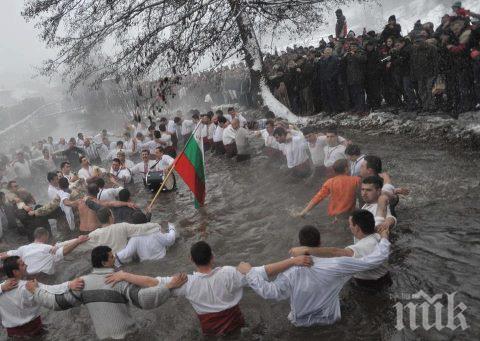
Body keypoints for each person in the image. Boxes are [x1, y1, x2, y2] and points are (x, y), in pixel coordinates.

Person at [105, 241, 311, 336]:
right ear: (213, 257)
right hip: (233, 323)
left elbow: (152, 282)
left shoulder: (186, 283)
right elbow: (265, 270)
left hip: (210, 329)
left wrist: (124, 275)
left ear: (191, 260)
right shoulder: (230, 273)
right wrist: (293, 261)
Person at [237, 224, 391, 327]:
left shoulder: (291, 269)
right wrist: (384, 237)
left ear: (300, 243)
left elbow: (270, 292)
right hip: (330, 319)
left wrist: (249, 272)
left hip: (301, 323)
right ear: (320, 242)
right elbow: (373, 261)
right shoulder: (337, 265)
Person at [28, 246, 187, 340]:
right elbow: (143, 299)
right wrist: (168, 286)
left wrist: (36, 291)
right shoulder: (118, 281)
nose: (114, 258)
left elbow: (57, 303)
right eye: (111, 257)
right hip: (129, 335)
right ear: (104, 262)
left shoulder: (81, 283)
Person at [290, 210, 392, 291]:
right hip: (386, 278)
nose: (349, 227)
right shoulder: (380, 232)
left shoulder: (361, 247)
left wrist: (307, 249)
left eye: (350, 224)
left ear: (357, 228)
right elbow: (381, 210)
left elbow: (336, 252)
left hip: (369, 286)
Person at [0, 256, 84, 338]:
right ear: (15, 272)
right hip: (33, 329)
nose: (26, 265)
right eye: (22, 265)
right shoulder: (28, 287)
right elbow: (51, 290)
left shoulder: (1, 288)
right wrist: (70, 284)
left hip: (12, 333)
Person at [56, 206, 160, 255]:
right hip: (125, 260)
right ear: (110, 217)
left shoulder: (95, 234)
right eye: (112, 214)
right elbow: (142, 228)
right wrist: (157, 225)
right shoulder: (122, 226)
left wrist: (57, 247)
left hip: (109, 264)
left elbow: (76, 244)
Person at [0, 227, 89, 275]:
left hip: (28, 275)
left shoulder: (23, 248)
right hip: (45, 277)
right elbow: (62, 252)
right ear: (45, 236)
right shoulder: (47, 248)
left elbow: (5, 254)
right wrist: (78, 241)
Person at [296, 159, 360, 221]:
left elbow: (318, 198)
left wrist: (304, 211)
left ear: (334, 171)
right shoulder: (356, 180)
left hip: (332, 215)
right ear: (346, 169)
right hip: (347, 215)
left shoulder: (330, 182)